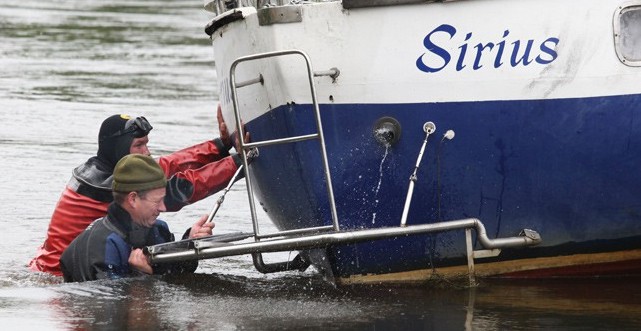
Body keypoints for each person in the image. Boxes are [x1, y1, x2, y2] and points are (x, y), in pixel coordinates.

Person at [30, 105, 249, 276]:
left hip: (61, 265)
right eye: (139, 145)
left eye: (147, 144)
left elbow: (167, 165)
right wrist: (239, 162)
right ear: (118, 149)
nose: (147, 152)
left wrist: (220, 145)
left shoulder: (103, 167)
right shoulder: (105, 186)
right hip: (60, 279)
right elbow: (182, 188)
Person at [60, 154, 214, 282]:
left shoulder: (158, 230)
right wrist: (141, 276)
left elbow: (177, 272)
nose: (163, 208)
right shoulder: (103, 246)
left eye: (163, 199)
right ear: (133, 199)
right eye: (157, 201)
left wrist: (190, 242)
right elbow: (108, 309)